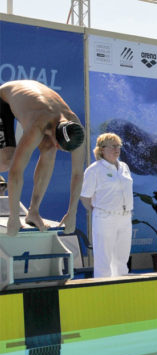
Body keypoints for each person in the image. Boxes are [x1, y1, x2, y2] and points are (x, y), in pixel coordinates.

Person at [0, 80, 86, 236]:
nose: (58, 149)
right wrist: (13, 217)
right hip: (3, 98)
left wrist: (72, 213)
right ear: (54, 132)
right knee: (6, 161)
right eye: (59, 145)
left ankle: (33, 212)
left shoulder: (76, 128)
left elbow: (78, 174)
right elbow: (15, 172)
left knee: (48, 148)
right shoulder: (38, 124)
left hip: (36, 102)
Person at [80, 133, 133, 278]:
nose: (117, 149)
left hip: (125, 216)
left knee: (122, 258)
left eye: (118, 146)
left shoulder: (124, 167)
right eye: (113, 146)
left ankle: (122, 288)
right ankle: (103, 290)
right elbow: (85, 196)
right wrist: (98, 211)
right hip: (105, 217)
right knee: (104, 258)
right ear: (102, 149)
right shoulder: (94, 169)